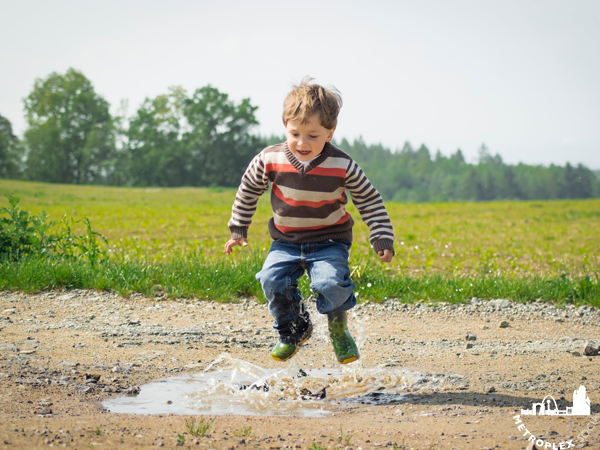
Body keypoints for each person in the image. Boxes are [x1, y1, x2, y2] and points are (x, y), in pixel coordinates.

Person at [224, 77, 395, 364]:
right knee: (271, 279)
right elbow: (248, 189)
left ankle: (339, 328)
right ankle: (294, 330)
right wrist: (238, 227)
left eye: (313, 135)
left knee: (330, 284)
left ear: (330, 133)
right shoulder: (270, 158)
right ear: (286, 127)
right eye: (295, 134)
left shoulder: (343, 165)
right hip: (285, 241)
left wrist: (381, 236)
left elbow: (369, 199)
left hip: (330, 241)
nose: (302, 143)